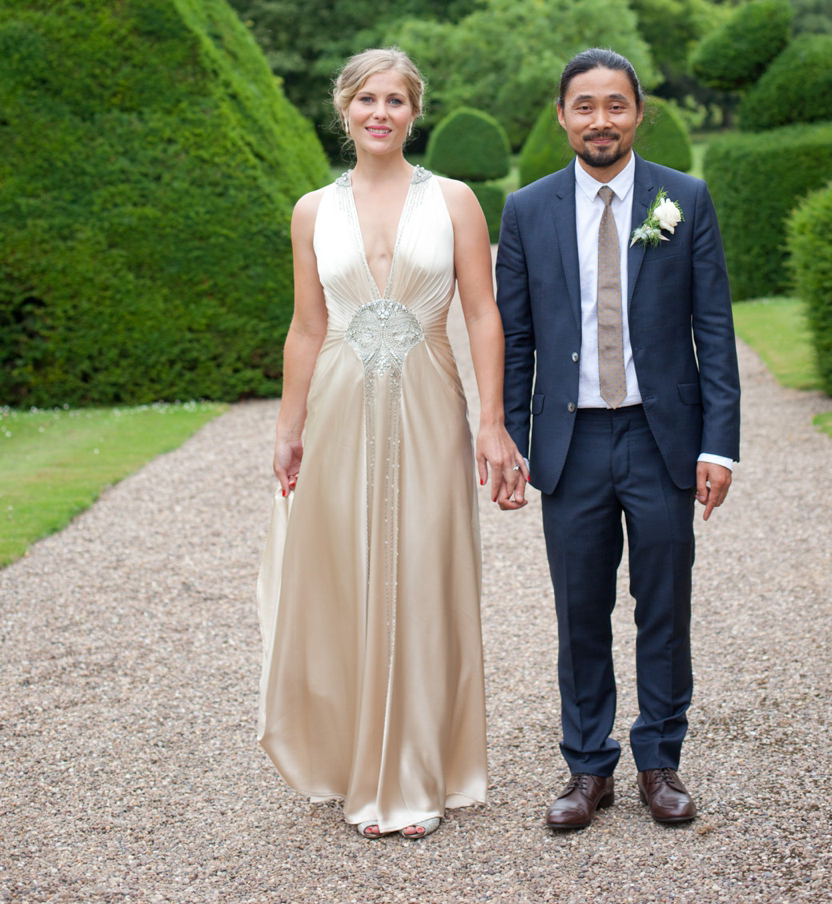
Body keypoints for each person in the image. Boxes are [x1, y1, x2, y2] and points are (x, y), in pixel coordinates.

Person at [257, 48, 525, 839]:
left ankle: (413, 775)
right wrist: (287, 427)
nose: (381, 112)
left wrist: (491, 419)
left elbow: (483, 312)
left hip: (429, 404)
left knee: (421, 573)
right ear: (343, 110)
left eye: (396, 100)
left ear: (416, 112)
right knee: (346, 575)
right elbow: (307, 328)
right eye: (367, 99)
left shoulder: (456, 200)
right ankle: (352, 767)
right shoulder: (311, 210)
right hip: (339, 408)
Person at [495, 48, 740, 831]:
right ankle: (587, 766)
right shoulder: (527, 210)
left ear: (639, 113)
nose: (601, 120)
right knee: (579, 609)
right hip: (570, 445)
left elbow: (715, 332)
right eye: (584, 106)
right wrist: (508, 436)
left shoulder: (685, 200)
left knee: (664, 604)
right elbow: (517, 339)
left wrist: (719, 445)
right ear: (562, 115)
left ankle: (660, 760)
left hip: (661, 436)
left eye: (616, 105)